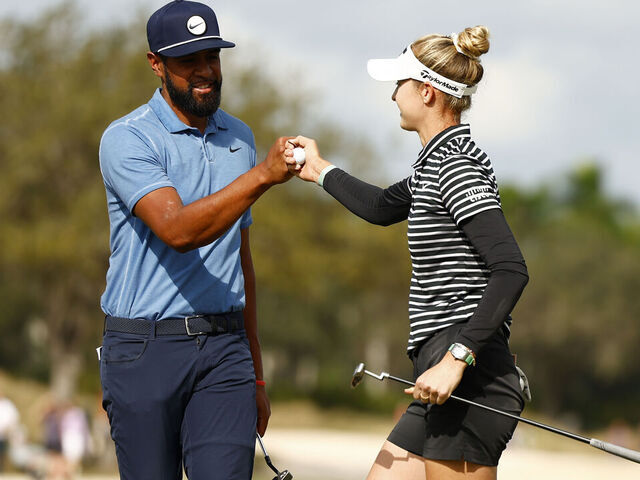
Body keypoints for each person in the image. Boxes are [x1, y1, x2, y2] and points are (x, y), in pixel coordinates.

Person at [286, 26, 529, 480]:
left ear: (427, 92)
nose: (392, 96)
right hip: (442, 377)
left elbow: (511, 269)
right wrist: (319, 169)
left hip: (469, 376)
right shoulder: (433, 163)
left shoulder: (455, 163)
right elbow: (379, 207)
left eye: (399, 85)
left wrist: (457, 359)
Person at [98, 1, 292, 479]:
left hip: (225, 352)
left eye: (213, 57)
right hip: (144, 350)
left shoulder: (239, 137)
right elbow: (178, 230)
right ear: (156, 64)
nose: (206, 71)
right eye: (189, 61)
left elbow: (239, 261)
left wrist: (257, 372)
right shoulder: (127, 138)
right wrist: (264, 175)